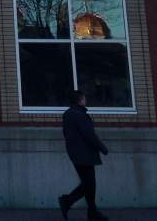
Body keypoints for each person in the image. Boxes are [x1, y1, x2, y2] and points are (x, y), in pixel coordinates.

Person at [58, 90, 108, 220]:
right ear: (80, 100)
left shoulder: (68, 114)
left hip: (75, 153)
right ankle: (67, 201)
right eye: (84, 98)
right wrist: (102, 148)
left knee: (88, 184)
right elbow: (89, 134)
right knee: (89, 184)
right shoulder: (79, 115)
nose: (86, 100)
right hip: (85, 154)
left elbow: (66, 134)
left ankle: (92, 212)